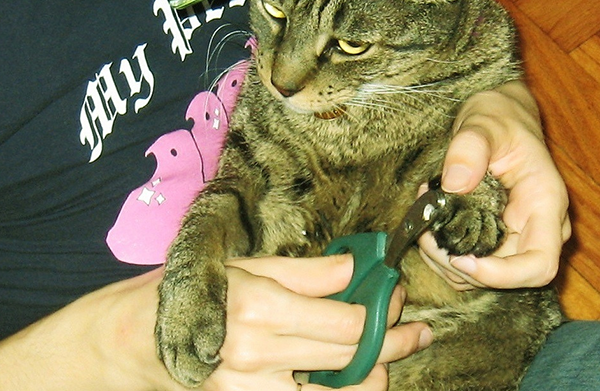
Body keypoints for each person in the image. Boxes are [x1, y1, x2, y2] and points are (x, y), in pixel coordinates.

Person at [0, 1, 593, 391]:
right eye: (275, 10)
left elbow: (449, 24)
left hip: (487, 360)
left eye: (347, 45)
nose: (281, 78)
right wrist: (113, 351)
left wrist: (494, 97)